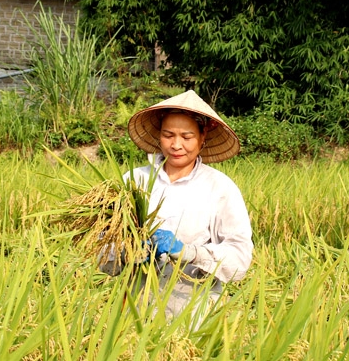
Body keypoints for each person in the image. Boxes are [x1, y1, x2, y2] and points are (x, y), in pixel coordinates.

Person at [99, 90, 253, 326]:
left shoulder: (219, 188)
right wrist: (127, 250)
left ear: (203, 137)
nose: (176, 145)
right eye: (168, 135)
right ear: (158, 136)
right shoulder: (134, 181)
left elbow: (240, 257)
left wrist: (189, 252)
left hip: (195, 316)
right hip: (136, 313)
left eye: (187, 136)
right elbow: (103, 249)